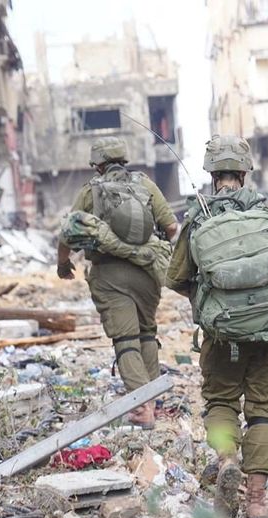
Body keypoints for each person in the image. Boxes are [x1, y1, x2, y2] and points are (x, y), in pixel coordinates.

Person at [166, 135, 268, 518]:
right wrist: (265, 294)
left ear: (212, 174)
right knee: (263, 411)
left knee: (221, 403)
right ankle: (258, 501)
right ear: (246, 171)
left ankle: (228, 459)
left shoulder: (198, 218)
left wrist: (216, 300)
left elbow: (176, 278)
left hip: (221, 335)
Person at [58, 136, 179, 429]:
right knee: (147, 333)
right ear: (124, 159)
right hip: (148, 273)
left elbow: (67, 233)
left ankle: (143, 408)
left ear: (97, 165)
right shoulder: (146, 185)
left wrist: (63, 263)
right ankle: (153, 398)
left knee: (126, 340)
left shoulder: (91, 191)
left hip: (110, 275)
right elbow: (172, 227)